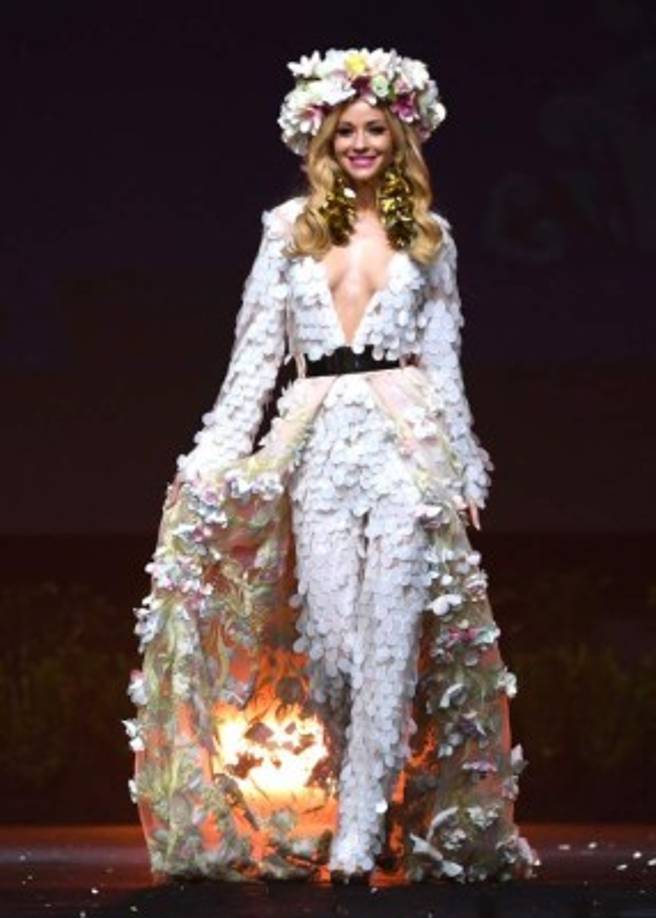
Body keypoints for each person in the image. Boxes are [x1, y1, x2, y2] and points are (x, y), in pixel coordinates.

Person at [124, 47, 540, 886]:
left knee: (389, 642)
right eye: (346, 130)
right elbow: (251, 363)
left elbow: (442, 361)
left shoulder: (430, 237)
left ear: (398, 137)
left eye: (374, 129)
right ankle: (369, 802)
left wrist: (462, 472)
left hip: (403, 448)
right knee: (332, 652)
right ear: (322, 139)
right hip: (315, 444)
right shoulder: (287, 231)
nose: (360, 143)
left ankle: (356, 834)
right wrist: (210, 461)